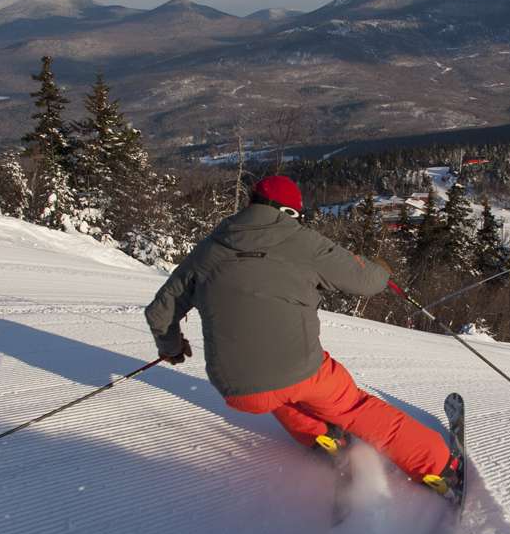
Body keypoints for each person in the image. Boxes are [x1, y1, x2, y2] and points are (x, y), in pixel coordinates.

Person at [145, 175, 461, 497]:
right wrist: (381, 271)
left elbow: (159, 311)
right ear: (291, 211)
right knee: (350, 406)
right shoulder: (302, 241)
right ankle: (439, 466)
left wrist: (170, 347)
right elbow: (366, 280)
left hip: (237, 391)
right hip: (302, 371)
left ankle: (322, 439)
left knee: (272, 387)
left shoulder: (209, 249)